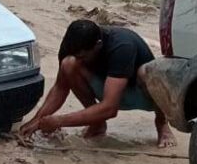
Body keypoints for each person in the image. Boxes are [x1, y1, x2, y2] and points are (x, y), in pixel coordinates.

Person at [20, 19, 175, 149]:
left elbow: (110, 109)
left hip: (141, 94)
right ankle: (97, 123)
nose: (80, 59)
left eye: (84, 56)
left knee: (146, 73)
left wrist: (59, 121)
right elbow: (60, 87)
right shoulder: (71, 46)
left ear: (98, 44)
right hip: (106, 87)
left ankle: (161, 123)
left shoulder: (122, 46)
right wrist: (37, 121)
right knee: (68, 64)